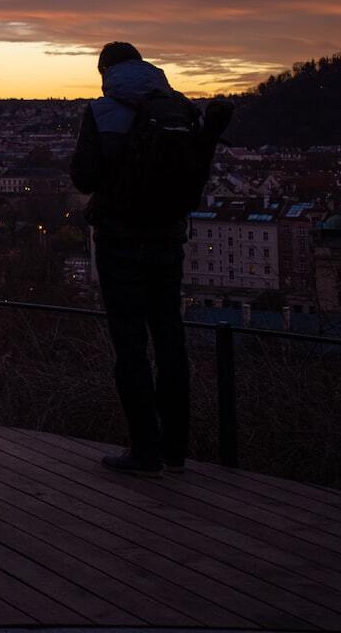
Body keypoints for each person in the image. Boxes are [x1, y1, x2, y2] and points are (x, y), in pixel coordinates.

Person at [70, 42, 233, 475]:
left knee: (130, 346)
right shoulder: (181, 109)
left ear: (105, 70)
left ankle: (144, 449)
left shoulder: (101, 112)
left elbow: (83, 178)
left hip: (119, 241)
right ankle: (176, 449)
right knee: (170, 339)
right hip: (168, 240)